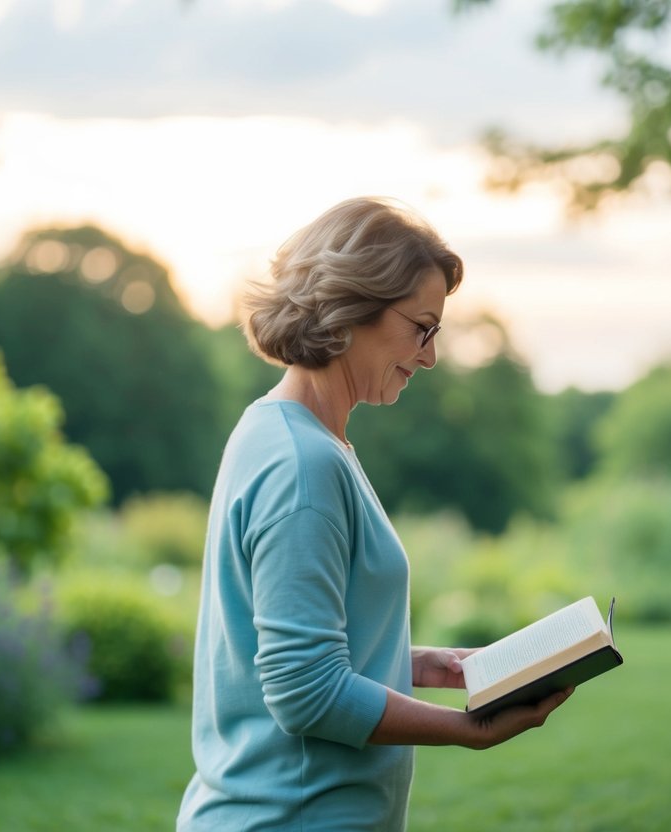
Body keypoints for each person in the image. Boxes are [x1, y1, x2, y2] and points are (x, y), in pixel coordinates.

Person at [177, 197, 572, 831]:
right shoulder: (304, 464)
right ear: (354, 305)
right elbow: (305, 692)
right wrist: (468, 730)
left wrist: (426, 664)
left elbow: (296, 642)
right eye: (423, 327)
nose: (430, 356)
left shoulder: (291, 437)